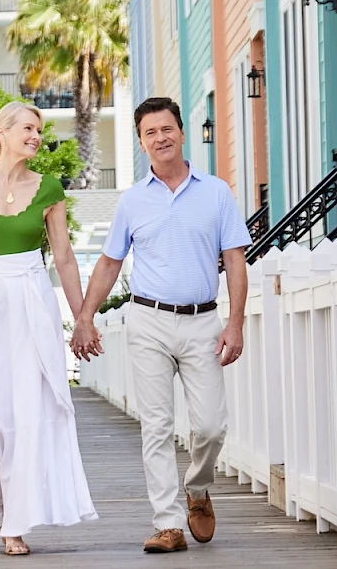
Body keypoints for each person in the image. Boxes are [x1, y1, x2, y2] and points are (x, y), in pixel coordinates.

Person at [70, 96, 252, 554]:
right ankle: (168, 523)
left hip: (203, 321)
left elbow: (234, 260)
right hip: (147, 319)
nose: (160, 138)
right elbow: (109, 264)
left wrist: (235, 323)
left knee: (210, 426)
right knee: (155, 425)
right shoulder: (132, 201)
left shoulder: (216, 193)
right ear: (141, 141)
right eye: (150, 133)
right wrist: (85, 318)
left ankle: (199, 486)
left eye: (166, 129)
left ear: (181, 132)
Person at [0, 101, 97, 556]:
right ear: (3, 132)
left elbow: (64, 257)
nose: (36, 135)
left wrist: (82, 318)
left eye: (39, 129)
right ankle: (7, 502)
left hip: (33, 300)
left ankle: (15, 523)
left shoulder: (48, 188)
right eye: (28, 127)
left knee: (28, 409)